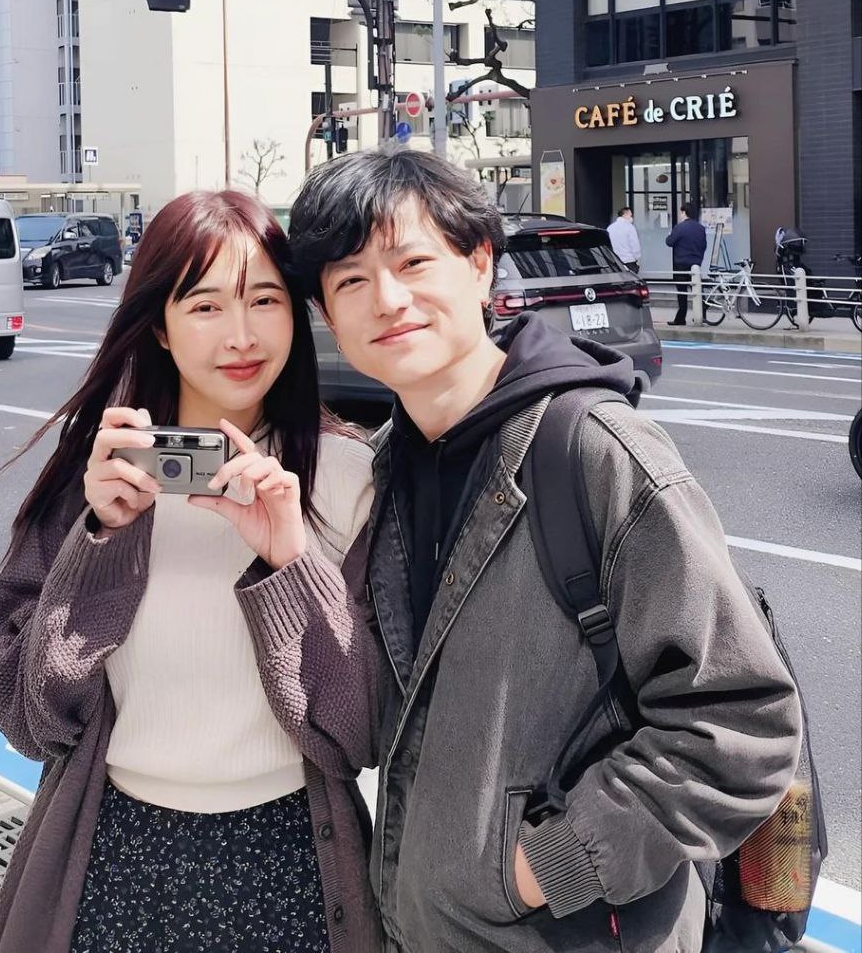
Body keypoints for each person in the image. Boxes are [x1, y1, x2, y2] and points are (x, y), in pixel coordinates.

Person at [255, 148, 799, 953]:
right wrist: (285, 564)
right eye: (351, 280)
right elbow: (372, 726)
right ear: (328, 313)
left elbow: (740, 720)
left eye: (413, 263)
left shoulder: (592, 452)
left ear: (479, 264)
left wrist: (550, 867)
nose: (388, 299)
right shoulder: (390, 468)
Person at [0, 190, 382, 953]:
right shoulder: (98, 477)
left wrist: (291, 563)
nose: (240, 335)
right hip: (114, 858)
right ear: (158, 324)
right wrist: (101, 542)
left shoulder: (348, 475)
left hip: (295, 863)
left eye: (265, 300)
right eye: (204, 306)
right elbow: (28, 718)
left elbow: (358, 734)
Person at [665, 201, 708, 326]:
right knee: (697, 289)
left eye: (681, 212)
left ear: (684, 212)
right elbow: (704, 245)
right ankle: (701, 315)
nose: (680, 215)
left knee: (682, 292)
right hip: (696, 263)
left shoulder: (680, 227)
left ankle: (681, 318)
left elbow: (669, 242)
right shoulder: (700, 228)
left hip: (681, 263)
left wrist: (670, 234)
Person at [606, 205, 641, 274]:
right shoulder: (630, 227)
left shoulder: (610, 228)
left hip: (614, 261)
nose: (631, 217)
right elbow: (635, 245)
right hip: (628, 261)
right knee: (631, 279)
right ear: (625, 214)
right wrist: (637, 257)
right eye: (630, 215)